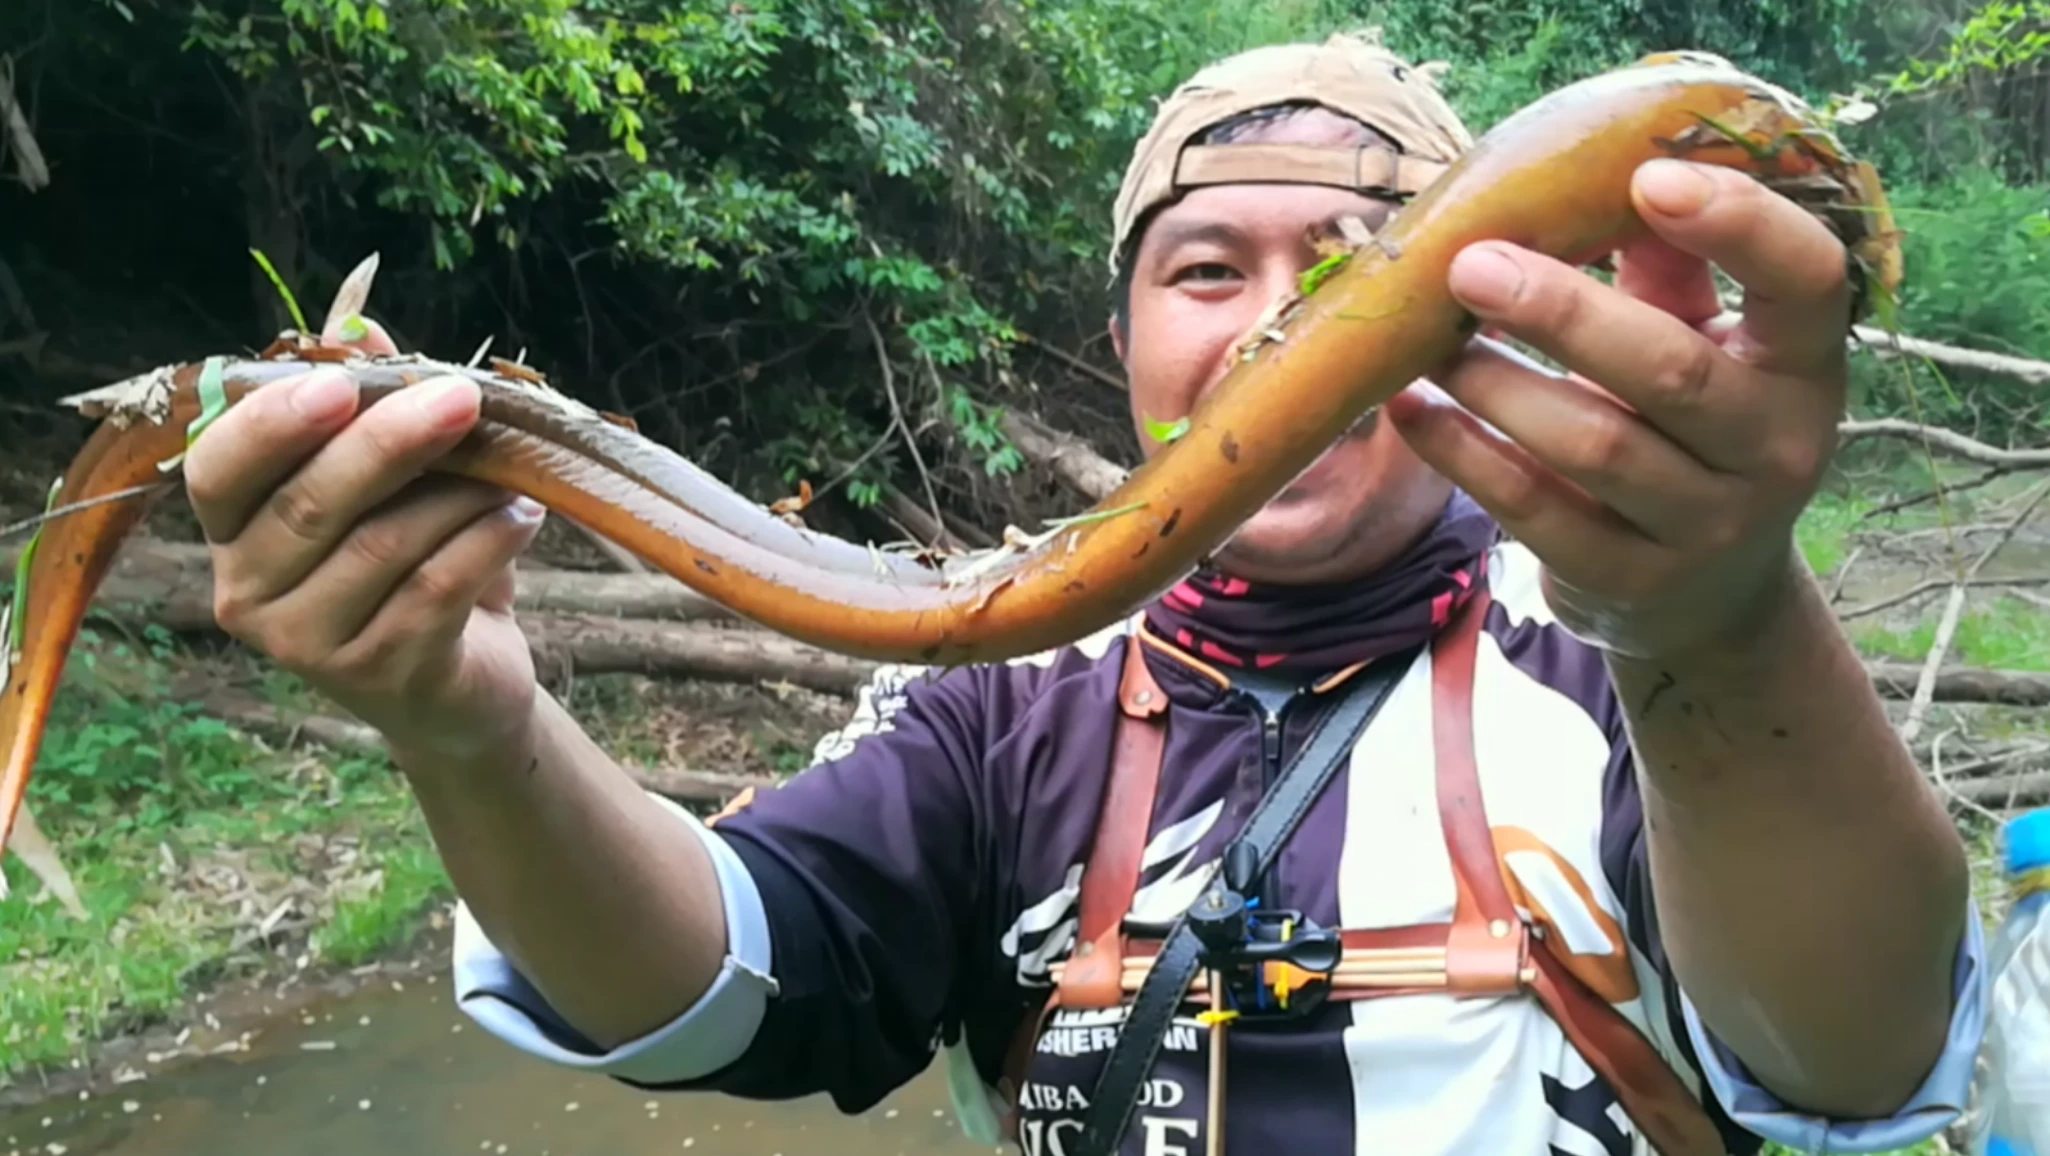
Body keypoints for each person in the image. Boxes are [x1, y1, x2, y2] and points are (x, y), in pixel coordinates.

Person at [180, 30, 1985, 1156]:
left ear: (1492, 316)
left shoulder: (1619, 655)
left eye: (1355, 270)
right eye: (1204, 268)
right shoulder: (996, 709)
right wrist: (470, 726)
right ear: (1120, 344)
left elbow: (1853, 1059)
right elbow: (722, 989)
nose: (1274, 325)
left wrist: (1715, 622)